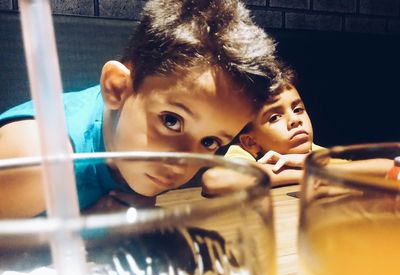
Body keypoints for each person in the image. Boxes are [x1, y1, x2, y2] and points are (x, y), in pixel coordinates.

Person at [0, 0, 281, 217]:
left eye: (210, 141)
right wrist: (86, 226)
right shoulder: (40, 160)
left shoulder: (136, 155)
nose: (182, 163)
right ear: (117, 87)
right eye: (171, 121)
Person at [223, 63, 322, 187]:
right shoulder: (242, 152)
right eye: (274, 118)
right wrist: (313, 171)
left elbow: (352, 168)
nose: (295, 120)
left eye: (298, 110)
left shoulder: (315, 152)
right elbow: (217, 179)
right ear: (250, 142)